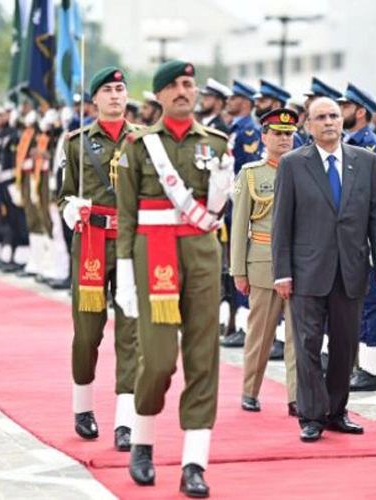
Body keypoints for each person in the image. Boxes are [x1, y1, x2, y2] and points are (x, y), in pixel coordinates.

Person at [115, 59, 232, 498]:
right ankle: (142, 441)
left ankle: (194, 463)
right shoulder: (139, 146)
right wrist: (125, 274)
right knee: (160, 359)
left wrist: (222, 193)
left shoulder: (217, 143)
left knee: (204, 358)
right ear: (160, 95)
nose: (185, 91)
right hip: (154, 257)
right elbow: (127, 218)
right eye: (176, 86)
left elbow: (218, 211)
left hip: (202, 255)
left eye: (190, 84)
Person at [271, 96, 376, 443]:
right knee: (307, 344)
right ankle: (311, 414)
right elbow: (282, 223)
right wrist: (282, 272)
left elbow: (375, 219)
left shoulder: (366, 162)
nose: (329, 122)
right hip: (307, 270)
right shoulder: (292, 164)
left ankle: (336, 411)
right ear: (308, 125)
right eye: (320, 117)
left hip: (351, 268)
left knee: (345, 345)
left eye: (334, 115)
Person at [56, 67, 140, 453]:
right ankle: (83, 406)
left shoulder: (143, 141)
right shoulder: (75, 143)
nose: (116, 95)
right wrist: (71, 209)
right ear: (94, 100)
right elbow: (63, 192)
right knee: (88, 332)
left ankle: (125, 419)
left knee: (131, 334)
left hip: (130, 244)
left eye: (120, 89)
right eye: (108, 90)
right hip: (91, 241)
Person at [230, 108, 300, 416]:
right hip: (262, 262)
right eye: (277, 133)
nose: (284, 139)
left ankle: (297, 397)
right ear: (264, 136)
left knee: (298, 337)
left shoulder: (305, 168)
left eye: (288, 134)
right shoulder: (251, 173)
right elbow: (239, 224)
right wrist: (238, 270)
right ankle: (250, 391)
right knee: (260, 334)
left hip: (300, 264)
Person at [336, 83, 376, 393]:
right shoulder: (343, 144)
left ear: (359, 111)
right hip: (345, 235)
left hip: (365, 235)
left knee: (370, 301)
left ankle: (372, 369)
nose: (338, 113)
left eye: (345, 107)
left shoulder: (373, 147)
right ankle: (356, 363)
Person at [221, 79, 262, 348]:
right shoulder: (235, 129)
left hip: (243, 205)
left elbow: (248, 171)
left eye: (234, 97)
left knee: (245, 264)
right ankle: (238, 322)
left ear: (246, 102)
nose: (229, 101)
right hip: (230, 206)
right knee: (233, 264)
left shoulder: (249, 132)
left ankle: (247, 326)